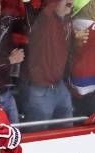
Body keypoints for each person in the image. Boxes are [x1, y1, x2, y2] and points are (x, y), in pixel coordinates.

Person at [23, 0, 75, 129]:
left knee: (68, 133)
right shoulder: (44, 19)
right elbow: (50, 11)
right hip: (40, 88)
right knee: (38, 137)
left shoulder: (67, 19)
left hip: (59, 85)